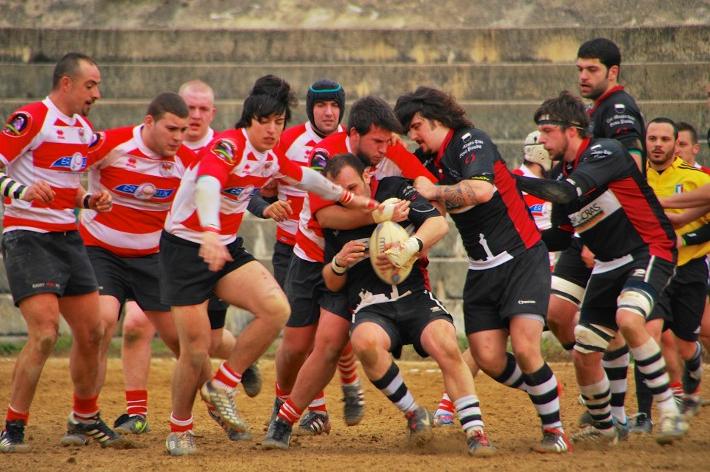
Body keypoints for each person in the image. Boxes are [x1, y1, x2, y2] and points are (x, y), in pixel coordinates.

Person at [160, 75, 377, 456]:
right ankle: (180, 428)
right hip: (186, 248)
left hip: (223, 247)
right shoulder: (229, 145)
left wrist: (350, 198)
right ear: (249, 121)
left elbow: (308, 178)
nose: (273, 130)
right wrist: (209, 229)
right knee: (195, 349)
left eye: (279, 122)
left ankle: (223, 386)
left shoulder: (270, 158)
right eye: (266, 122)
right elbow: (208, 183)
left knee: (277, 309)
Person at [395, 86, 570, 453]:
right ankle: (546, 387)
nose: (413, 135)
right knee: (487, 357)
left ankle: (555, 432)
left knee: (525, 347)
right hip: (481, 269)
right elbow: (436, 210)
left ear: (437, 120)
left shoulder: (470, 141)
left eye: (416, 126)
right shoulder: (430, 161)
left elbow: (480, 191)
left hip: (521, 258)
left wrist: (434, 192)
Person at [515, 91, 688, 445]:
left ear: (572, 129)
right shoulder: (564, 171)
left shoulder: (604, 151)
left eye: (547, 131)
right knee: (583, 352)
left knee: (628, 319)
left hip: (648, 249)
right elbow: (561, 235)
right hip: (609, 264)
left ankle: (670, 411)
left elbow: (565, 193)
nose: (541, 140)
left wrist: (508, 179)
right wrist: (517, 243)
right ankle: (607, 428)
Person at [264, 95, 433, 445]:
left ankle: (286, 420)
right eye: (377, 141)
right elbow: (326, 217)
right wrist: (380, 214)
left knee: (328, 343)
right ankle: (282, 398)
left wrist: (414, 229)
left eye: (388, 141)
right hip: (313, 256)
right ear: (354, 135)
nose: (384, 149)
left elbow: (428, 189)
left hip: (360, 262)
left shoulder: (389, 149)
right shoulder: (326, 155)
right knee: (296, 346)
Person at [317, 153, 495, 455]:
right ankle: (414, 413)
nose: (348, 197)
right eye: (340, 192)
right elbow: (332, 283)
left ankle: (475, 431)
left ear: (367, 178)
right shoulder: (335, 217)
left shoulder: (394, 190)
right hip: (370, 304)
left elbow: (437, 225)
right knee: (364, 342)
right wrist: (337, 263)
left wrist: (409, 246)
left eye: (353, 187)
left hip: (413, 296)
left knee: (444, 341)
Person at [112, 81, 261, 437]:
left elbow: (246, 187)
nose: (193, 117)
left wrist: (265, 207)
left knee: (202, 344)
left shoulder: (222, 147)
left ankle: (238, 364)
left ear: (214, 113)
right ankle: (139, 413)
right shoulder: (162, 139)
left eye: (202, 110)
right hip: (156, 250)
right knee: (135, 326)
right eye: (187, 109)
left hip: (201, 253)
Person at [0, 52, 129, 452]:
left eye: (99, 85)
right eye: (91, 85)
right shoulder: (32, 117)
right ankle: (14, 425)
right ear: (67, 84)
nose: (97, 94)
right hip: (27, 235)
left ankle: (85, 416)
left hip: (67, 235)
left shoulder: (82, 129)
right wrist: (20, 191)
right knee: (45, 334)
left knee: (94, 331)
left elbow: (66, 184)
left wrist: (89, 201)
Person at [59, 93, 195, 444]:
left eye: (183, 130)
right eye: (171, 129)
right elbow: (65, 170)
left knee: (185, 342)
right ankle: (81, 417)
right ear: (149, 122)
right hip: (101, 250)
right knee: (99, 326)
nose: (178, 138)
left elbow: (217, 185)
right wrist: (86, 198)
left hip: (153, 256)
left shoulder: (186, 160)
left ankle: (214, 405)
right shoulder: (113, 143)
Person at [551, 38, 646, 433]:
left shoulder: (619, 108)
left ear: (613, 72)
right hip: (584, 229)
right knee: (557, 315)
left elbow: (633, 169)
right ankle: (598, 388)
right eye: (579, 69)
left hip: (607, 232)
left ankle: (614, 414)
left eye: (591, 70)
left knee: (603, 325)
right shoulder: (595, 111)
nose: (583, 76)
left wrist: (601, 235)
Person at [630, 118, 709, 431]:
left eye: (665, 139)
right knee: (646, 335)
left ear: (677, 144)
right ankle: (643, 415)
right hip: (652, 268)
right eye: (652, 138)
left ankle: (693, 372)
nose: (657, 144)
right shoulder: (635, 180)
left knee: (686, 341)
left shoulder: (696, 179)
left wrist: (685, 238)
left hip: (689, 269)